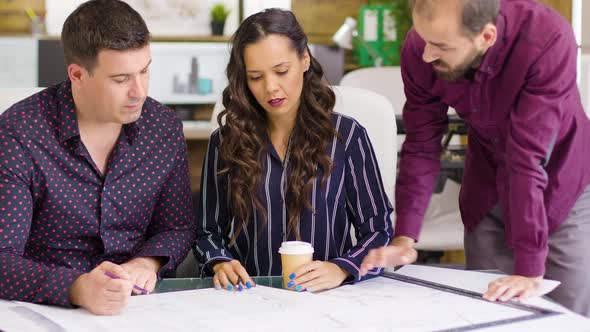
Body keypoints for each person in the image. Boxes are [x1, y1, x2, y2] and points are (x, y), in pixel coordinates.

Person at [360, 0, 590, 316]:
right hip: (488, 186)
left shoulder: (547, 38)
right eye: (423, 39)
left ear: (486, 37)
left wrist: (529, 269)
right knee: (488, 309)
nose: (426, 54)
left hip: (564, 182)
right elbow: (422, 145)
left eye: (440, 45)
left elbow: (526, 159)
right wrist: (405, 239)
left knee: (567, 313)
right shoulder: (422, 46)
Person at [0, 0, 195, 315]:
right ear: (77, 75)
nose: (139, 91)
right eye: (120, 80)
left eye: (144, 71)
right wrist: (76, 287)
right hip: (45, 311)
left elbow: (177, 226)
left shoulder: (163, 128)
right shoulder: (20, 132)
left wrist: (148, 261)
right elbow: (2, 257)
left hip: (138, 308)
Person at [194, 8, 393, 293]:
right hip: (250, 299)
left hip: (328, 299)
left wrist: (341, 268)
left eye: (281, 71)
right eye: (255, 77)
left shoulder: (347, 136)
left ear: (304, 60)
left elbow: (378, 230)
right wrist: (219, 262)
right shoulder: (225, 142)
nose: (271, 88)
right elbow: (206, 231)